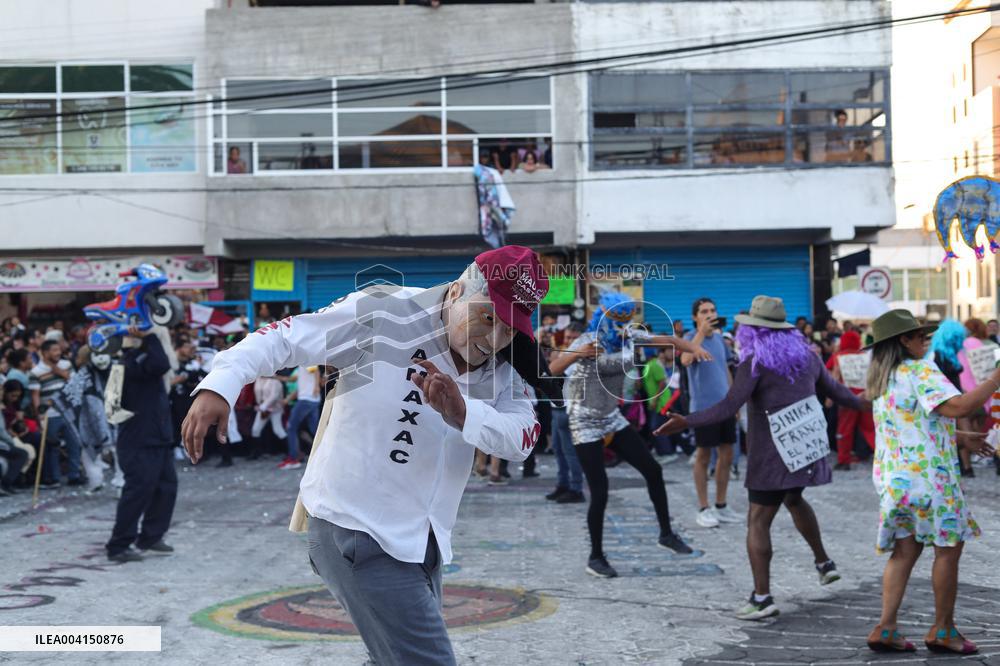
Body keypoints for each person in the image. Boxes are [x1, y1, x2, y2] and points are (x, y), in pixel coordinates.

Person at [183, 246, 547, 665]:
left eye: (509, 329)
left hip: (424, 539)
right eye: (487, 318)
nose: (493, 339)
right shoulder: (384, 312)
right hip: (357, 527)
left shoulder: (503, 368)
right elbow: (286, 337)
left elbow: (523, 438)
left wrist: (464, 413)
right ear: (457, 291)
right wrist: (221, 383)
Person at [657, 295, 864, 620]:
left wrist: (687, 421)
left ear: (753, 329)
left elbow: (729, 405)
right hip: (803, 449)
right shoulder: (809, 357)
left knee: (757, 520)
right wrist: (876, 404)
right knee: (794, 499)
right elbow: (839, 394)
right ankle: (824, 563)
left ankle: (762, 598)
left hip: (770, 456)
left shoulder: (754, 361)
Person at [548, 291, 709, 578]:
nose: (622, 326)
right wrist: (579, 354)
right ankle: (596, 557)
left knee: (653, 470)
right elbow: (552, 368)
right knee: (600, 491)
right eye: (617, 320)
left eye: (626, 320)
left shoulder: (630, 336)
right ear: (605, 316)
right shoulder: (587, 340)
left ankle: (666, 534)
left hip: (612, 417)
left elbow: (670, 341)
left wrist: (695, 348)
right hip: (584, 421)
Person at [864, 309, 995, 655]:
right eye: (920, 335)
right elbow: (960, 406)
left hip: (895, 480)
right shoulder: (919, 370)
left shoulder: (883, 378)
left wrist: (960, 438)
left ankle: (886, 627)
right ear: (903, 341)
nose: (925, 340)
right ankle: (943, 629)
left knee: (904, 550)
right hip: (930, 479)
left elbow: (911, 427)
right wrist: (996, 378)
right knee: (948, 548)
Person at [106, 326, 177, 563]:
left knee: (165, 488)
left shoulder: (137, 361)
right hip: (139, 439)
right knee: (138, 491)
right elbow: (161, 364)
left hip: (156, 437)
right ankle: (118, 545)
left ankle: (150, 537)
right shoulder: (130, 362)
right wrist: (150, 336)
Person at [682, 298, 740, 528]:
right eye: (704, 311)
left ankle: (721, 505)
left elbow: (725, 369)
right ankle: (704, 508)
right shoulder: (689, 338)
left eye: (713, 310)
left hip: (724, 406)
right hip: (703, 408)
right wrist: (700, 334)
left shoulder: (719, 340)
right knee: (703, 455)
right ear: (695, 316)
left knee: (727, 454)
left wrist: (734, 401)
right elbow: (686, 360)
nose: (709, 314)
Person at [30, 339, 84, 487]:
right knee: (52, 447)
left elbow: (77, 385)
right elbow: (35, 395)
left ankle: (74, 475)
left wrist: (61, 373)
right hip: (50, 414)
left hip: (69, 412)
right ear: (44, 353)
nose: (58, 352)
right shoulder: (36, 372)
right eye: (54, 350)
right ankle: (54, 478)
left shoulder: (66, 365)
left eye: (58, 349)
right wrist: (39, 415)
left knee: (75, 444)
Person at [545, 322, 585, 503]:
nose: (569, 341)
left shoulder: (582, 357)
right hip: (557, 407)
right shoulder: (565, 354)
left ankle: (576, 488)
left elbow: (556, 371)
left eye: (573, 338)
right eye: (567, 337)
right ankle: (563, 484)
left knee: (570, 451)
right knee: (558, 449)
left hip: (571, 408)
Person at [826, 330, 875, 470]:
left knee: (845, 429)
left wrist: (829, 398)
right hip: (866, 397)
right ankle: (881, 456)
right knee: (870, 428)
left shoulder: (839, 356)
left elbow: (834, 377)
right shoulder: (866, 356)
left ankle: (844, 460)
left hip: (847, 399)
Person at [282, 364, 322, 470]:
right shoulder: (301, 367)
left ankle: (293, 459)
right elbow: (295, 382)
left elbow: (316, 370)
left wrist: (316, 386)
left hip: (306, 400)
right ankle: (327, 453)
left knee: (291, 428)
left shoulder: (305, 361)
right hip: (313, 400)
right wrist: (287, 400)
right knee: (315, 430)